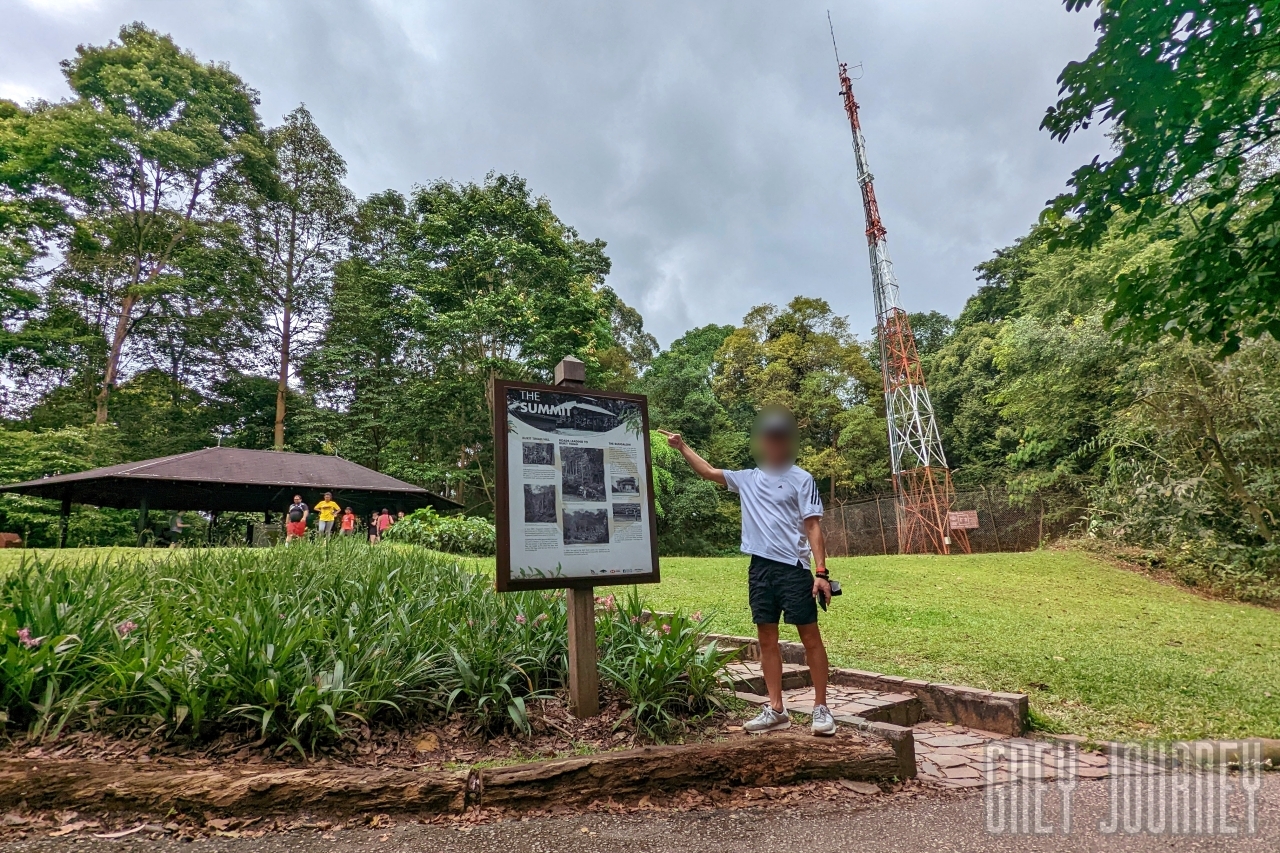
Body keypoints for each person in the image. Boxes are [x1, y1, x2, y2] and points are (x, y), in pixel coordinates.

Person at [658, 406, 836, 736]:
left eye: (779, 439)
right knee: (766, 639)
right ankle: (777, 709)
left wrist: (821, 572)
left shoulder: (802, 479)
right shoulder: (747, 479)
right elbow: (708, 472)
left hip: (795, 570)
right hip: (760, 569)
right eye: (768, 439)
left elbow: (813, 527)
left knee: (810, 638)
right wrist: (682, 447)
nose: (773, 445)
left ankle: (821, 708)